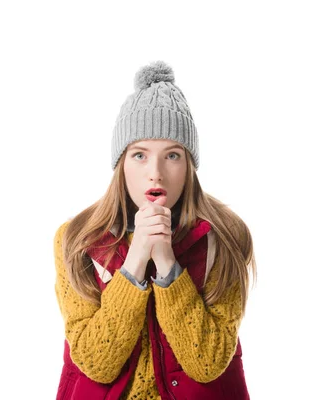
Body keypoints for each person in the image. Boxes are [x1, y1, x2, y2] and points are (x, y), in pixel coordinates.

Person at [53, 60, 257, 399]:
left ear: (189, 165)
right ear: (121, 163)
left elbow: (208, 362)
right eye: (140, 155)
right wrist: (135, 260)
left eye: (173, 155)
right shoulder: (76, 240)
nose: (156, 173)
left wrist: (166, 262)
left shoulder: (226, 238)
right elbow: (95, 362)